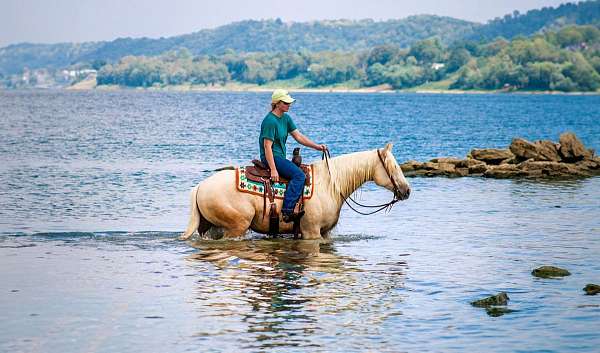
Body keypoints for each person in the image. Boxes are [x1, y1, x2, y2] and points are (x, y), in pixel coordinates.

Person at [259, 89, 327, 222]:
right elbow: (267, 147)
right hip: (271, 157)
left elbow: (298, 136)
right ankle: (287, 211)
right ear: (277, 104)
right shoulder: (270, 121)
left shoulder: (286, 118)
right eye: (286, 102)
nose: (289, 105)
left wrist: (317, 146)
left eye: (289, 102)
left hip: (279, 157)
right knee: (299, 175)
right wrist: (273, 169)